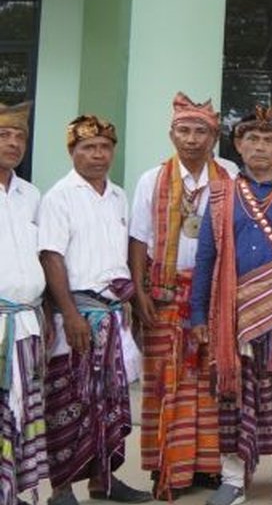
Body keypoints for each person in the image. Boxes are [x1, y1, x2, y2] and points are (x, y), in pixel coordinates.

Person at [190, 107, 272, 505]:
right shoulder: (220, 194)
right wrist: (198, 313)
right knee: (234, 391)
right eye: (252, 140)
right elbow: (206, 258)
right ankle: (232, 479)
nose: (260, 147)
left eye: (269, 140)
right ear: (239, 146)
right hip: (235, 309)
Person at [129, 93, 237, 498]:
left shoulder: (229, 175)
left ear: (214, 137)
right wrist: (138, 291)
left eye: (200, 131)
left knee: (211, 381)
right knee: (165, 380)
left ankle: (207, 467)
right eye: (184, 130)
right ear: (171, 134)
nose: (192, 139)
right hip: (164, 293)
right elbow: (138, 239)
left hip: (213, 294)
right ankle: (166, 466)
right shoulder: (152, 179)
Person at [39, 115, 151, 505]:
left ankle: (104, 481)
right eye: (88, 148)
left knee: (110, 404)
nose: (98, 154)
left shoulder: (118, 195)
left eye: (105, 147)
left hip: (113, 314)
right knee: (69, 402)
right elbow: (51, 257)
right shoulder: (59, 197)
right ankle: (61, 489)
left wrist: (132, 304)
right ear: (72, 152)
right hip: (77, 316)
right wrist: (69, 314)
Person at [0, 101, 46, 505]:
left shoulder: (31, 195)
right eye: (4, 135)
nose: (13, 143)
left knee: (20, 415)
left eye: (20, 137)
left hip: (27, 325)